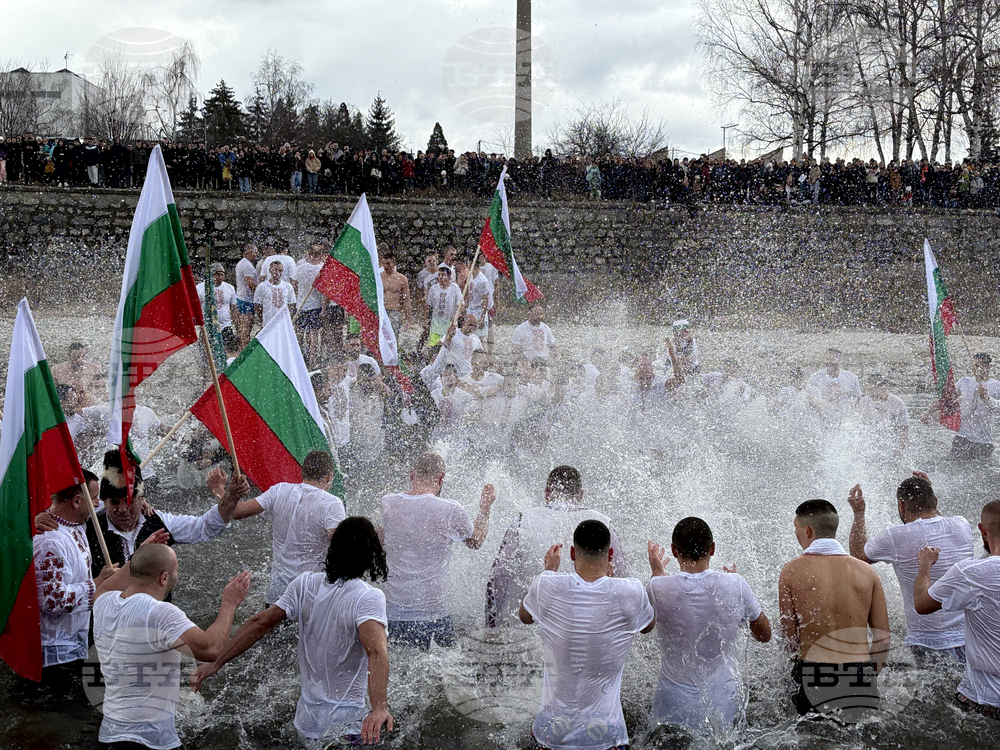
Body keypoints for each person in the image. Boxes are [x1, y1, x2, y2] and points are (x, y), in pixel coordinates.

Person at [190, 518, 393, 746]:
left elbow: (259, 623)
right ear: (370, 554)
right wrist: (379, 708)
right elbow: (376, 651)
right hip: (348, 726)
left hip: (306, 723)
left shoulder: (305, 584)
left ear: (332, 549)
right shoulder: (368, 597)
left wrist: (216, 663)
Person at [92, 544, 252, 750]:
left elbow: (105, 586)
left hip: (110, 734)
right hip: (151, 740)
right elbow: (211, 649)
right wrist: (229, 604)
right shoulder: (160, 613)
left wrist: (140, 556)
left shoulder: (103, 601)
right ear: (164, 578)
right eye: (176, 571)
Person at [519, 520, 655, 750]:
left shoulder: (546, 584)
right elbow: (648, 626)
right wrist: (656, 574)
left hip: (550, 736)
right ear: (610, 554)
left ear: (572, 553)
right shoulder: (631, 591)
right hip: (605, 738)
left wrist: (548, 572)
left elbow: (525, 616)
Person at [646, 517, 771, 734]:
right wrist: (739, 597)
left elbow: (644, 626)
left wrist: (656, 575)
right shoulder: (736, 584)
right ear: (712, 549)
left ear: (674, 552)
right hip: (723, 704)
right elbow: (765, 634)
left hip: (671, 706)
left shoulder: (657, 587)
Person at [778, 499, 890, 717]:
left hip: (812, 672)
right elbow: (883, 639)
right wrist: (867, 674)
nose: (796, 534)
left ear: (808, 531)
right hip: (858, 672)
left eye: (796, 528)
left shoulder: (791, 571)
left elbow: (789, 639)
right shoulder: (867, 572)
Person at [848, 474, 972, 664]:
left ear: (901, 506)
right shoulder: (962, 525)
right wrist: (927, 489)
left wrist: (858, 514)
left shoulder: (896, 536)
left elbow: (857, 558)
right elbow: (937, 523)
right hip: (969, 641)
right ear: (935, 501)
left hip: (925, 644)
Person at [485, 465, 627, 628]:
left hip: (529, 627)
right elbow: (621, 577)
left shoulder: (524, 520)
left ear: (547, 492)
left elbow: (499, 576)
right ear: (580, 495)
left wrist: (491, 625)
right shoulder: (603, 524)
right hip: (588, 625)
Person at [379, 452, 496, 648]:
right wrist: (484, 509)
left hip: (391, 616)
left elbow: (384, 538)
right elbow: (475, 541)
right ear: (441, 477)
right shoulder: (449, 509)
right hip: (432, 617)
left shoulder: (388, 503)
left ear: (411, 475)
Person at [80, 449, 248, 578]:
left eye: (129, 501)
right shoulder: (88, 521)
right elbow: (62, 505)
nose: (123, 509)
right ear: (104, 501)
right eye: (114, 502)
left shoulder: (158, 521)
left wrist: (231, 497)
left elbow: (206, 526)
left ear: (142, 498)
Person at [224, 450, 346, 605]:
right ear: (329, 476)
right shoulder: (332, 503)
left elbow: (236, 511)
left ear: (302, 472)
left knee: (271, 627)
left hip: (277, 593)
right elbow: (341, 546)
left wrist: (218, 489)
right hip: (311, 595)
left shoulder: (279, 490)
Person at [914, 500, 1000, 718]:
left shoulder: (971, 573)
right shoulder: (976, 570)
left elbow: (922, 604)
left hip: (984, 699)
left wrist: (925, 565)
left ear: (981, 529)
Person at [31, 480, 115, 693]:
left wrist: (138, 503)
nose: (98, 504)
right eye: (94, 498)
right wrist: (97, 583)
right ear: (77, 501)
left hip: (73, 643)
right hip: (54, 652)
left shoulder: (76, 523)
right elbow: (50, 600)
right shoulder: (49, 540)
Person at [949, 352, 1000, 460]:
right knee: (953, 468)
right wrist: (929, 413)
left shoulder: (997, 385)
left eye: (978, 366)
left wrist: (987, 399)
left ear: (988, 367)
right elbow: (948, 397)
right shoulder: (964, 381)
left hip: (983, 441)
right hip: (962, 437)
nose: (975, 369)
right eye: (973, 365)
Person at [857, 374, 909, 456]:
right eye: (878, 387)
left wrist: (900, 448)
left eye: (883, 386)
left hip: (891, 444)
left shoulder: (897, 403)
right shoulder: (864, 402)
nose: (882, 389)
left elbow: (904, 429)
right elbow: (860, 426)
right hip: (870, 445)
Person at [293, 243, 327, 365]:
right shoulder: (322, 269)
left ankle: (298, 360)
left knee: (299, 334)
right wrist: (324, 308)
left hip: (301, 305)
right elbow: (324, 292)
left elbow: (294, 285)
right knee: (314, 336)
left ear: (309, 254)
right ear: (321, 255)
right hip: (315, 306)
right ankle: (312, 362)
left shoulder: (300, 267)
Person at [806, 348, 861, 416]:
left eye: (832, 359)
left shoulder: (851, 378)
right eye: (827, 359)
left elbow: (857, 397)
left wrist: (851, 411)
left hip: (843, 416)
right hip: (821, 416)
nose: (829, 362)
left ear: (839, 360)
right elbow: (808, 397)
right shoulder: (815, 377)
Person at [196, 262, 238, 347]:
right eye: (217, 274)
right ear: (211, 275)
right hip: (208, 326)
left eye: (222, 275)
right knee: (206, 353)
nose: (220, 277)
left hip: (226, 325)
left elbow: (234, 308)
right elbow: (196, 309)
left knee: (231, 349)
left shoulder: (230, 288)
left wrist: (237, 325)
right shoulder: (200, 288)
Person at [50, 342, 103, 408]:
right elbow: (52, 391)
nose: (80, 360)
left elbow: (102, 389)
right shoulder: (57, 370)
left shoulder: (94, 369)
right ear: (69, 356)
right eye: (76, 357)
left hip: (89, 406)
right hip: (67, 407)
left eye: (83, 356)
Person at [425, 267, 463, 348]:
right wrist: (426, 320)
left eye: (443, 275)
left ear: (449, 277)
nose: (441, 277)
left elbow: (461, 304)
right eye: (439, 275)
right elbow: (428, 306)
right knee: (433, 348)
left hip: (449, 324)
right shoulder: (433, 288)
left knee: (447, 348)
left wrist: (457, 314)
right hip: (435, 324)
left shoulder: (454, 288)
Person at [254, 259, 297, 327]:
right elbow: (257, 306)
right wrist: (262, 320)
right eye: (275, 270)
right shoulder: (262, 286)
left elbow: (291, 305)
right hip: (268, 324)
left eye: (280, 270)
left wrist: (288, 319)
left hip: (283, 324)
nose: (277, 272)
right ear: (270, 271)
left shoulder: (287, 287)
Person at [234, 243, 260, 347]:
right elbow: (250, 283)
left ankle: (242, 348)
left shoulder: (242, 263)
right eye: (255, 252)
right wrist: (260, 292)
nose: (256, 254)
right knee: (246, 328)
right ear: (248, 252)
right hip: (246, 300)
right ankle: (244, 350)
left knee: (242, 329)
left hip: (241, 298)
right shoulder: (247, 265)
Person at [380, 251, 412, 333]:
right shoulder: (379, 277)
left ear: (394, 264)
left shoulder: (401, 279)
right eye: (384, 263)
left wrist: (408, 319)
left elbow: (406, 299)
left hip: (394, 311)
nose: (385, 266)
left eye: (388, 263)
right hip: (381, 311)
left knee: (393, 336)